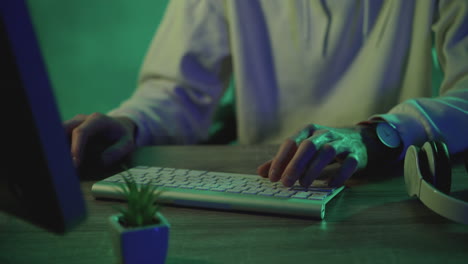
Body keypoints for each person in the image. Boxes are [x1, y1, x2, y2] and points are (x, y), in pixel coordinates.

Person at [65, 0, 468, 188]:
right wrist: (130, 123)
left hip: (386, 190)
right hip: (267, 186)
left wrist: (379, 134)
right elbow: (178, 89)